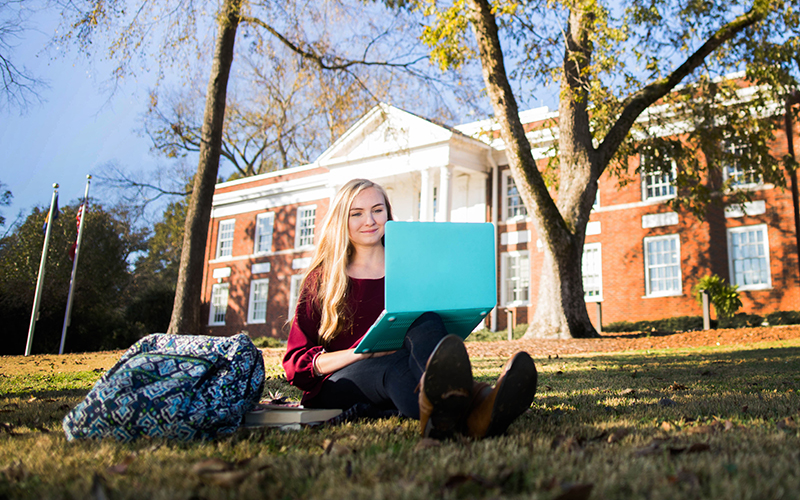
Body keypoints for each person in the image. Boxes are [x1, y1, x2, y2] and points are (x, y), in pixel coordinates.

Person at [282, 178, 538, 439]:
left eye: (377, 210)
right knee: (394, 367)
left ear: (388, 214)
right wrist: (360, 354)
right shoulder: (322, 279)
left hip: (404, 365)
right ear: (341, 221)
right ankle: (480, 401)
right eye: (356, 214)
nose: (369, 220)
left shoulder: (408, 268)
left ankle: (454, 414)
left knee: (426, 320)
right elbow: (296, 365)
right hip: (340, 382)